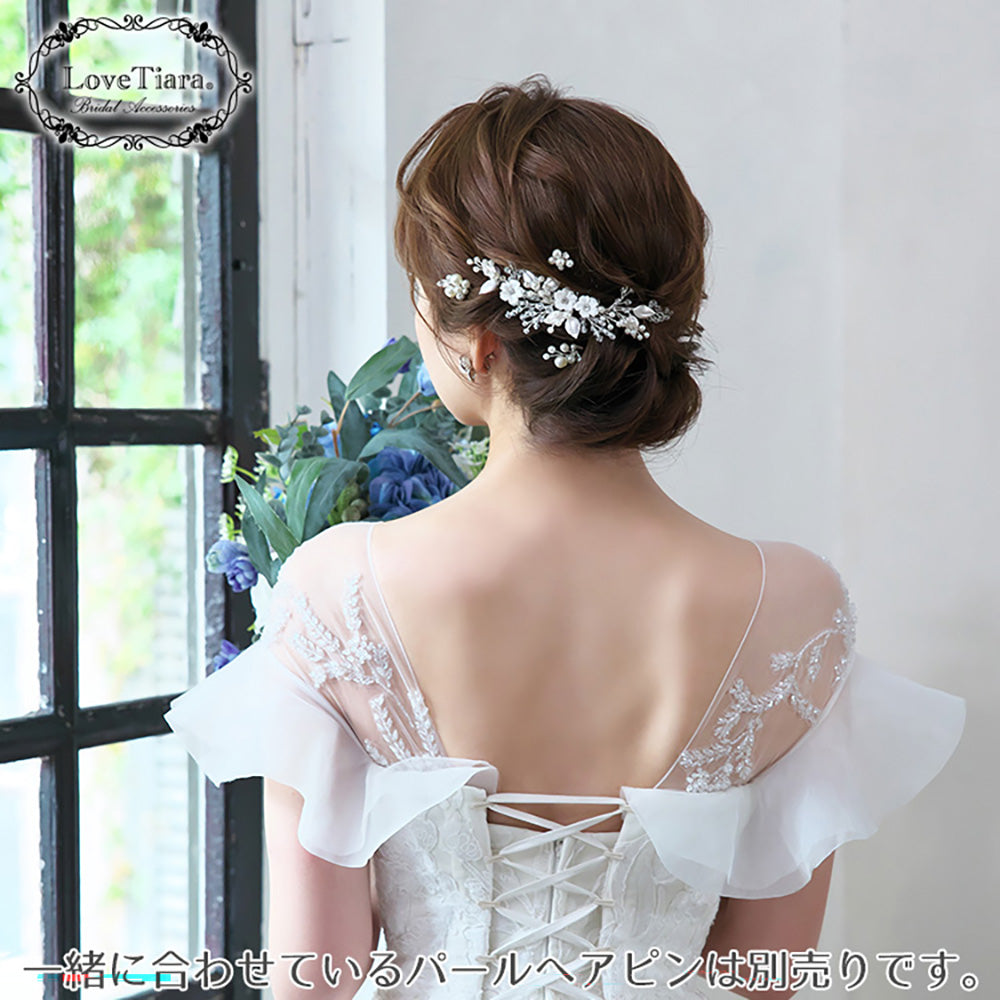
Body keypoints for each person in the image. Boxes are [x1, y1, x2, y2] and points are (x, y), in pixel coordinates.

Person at [165, 77, 966, 999]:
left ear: (480, 341)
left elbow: (315, 980)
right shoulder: (794, 606)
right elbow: (762, 976)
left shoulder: (339, 589)